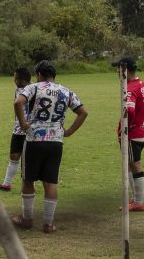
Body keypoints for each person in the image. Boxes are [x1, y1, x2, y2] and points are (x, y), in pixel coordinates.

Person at [10, 60, 88, 234]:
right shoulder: (65, 91)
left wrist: (23, 124)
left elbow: (18, 102)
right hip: (56, 141)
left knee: (28, 179)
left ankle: (27, 219)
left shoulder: (34, 87)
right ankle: (48, 224)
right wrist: (69, 132)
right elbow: (83, 112)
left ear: (39, 74)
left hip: (34, 139)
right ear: (54, 75)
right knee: (50, 182)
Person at [113, 56, 144, 211]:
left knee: (134, 165)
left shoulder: (130, 89)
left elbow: (129, 109)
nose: (117, 72)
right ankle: (135, 200)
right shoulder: (141, 84)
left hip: (132, 134)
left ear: (125, 70)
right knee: (131, 165)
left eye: (118, 69)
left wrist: (126, 128)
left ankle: (138, 202)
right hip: (140, 130)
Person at [0, 66, 32, 191]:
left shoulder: (35, 90)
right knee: (14, 156)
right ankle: (6, 184)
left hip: (30, 130)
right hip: (18, 129)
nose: (14, 81)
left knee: (28, 159)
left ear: (23, 80)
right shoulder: (17, 90)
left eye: (16, 79)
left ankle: (30, 184)